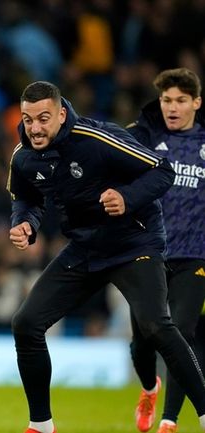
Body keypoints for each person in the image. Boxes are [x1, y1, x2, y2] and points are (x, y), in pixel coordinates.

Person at [7, 80, 205, 433]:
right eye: (28, 119)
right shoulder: (23, 157)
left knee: (156, 326)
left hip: (133, 243)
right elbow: (27, 199)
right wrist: (24, 223)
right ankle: (41, 425)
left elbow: (162, 170)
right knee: (26, 323)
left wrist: (127, 198)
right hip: (85, 248)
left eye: (43, 118)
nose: (34, 128)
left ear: (61, 114)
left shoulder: (97, 139)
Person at [126, 68, 205, 433]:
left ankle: (170, 420)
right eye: (166, 100)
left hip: (195, 255)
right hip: (149, 255)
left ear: (196, 103)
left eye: (180, 101)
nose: (172, 107)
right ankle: (148, 388)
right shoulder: (145, 138)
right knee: (142, 342)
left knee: (182, 333)